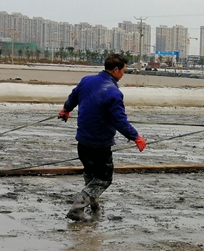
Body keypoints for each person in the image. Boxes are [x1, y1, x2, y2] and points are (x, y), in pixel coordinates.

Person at [58, 53, 146, 220]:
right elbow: (119, 120)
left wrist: (66, 110)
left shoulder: (86, 81)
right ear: (115, 70)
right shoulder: (113, 92)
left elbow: (73, 97)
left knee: (91, 176)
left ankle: (94, 208)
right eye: (124, 71)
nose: (123, 74)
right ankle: (77, 208)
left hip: (82, 141)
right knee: (104, 179)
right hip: (99, 144)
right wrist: (136, 137)